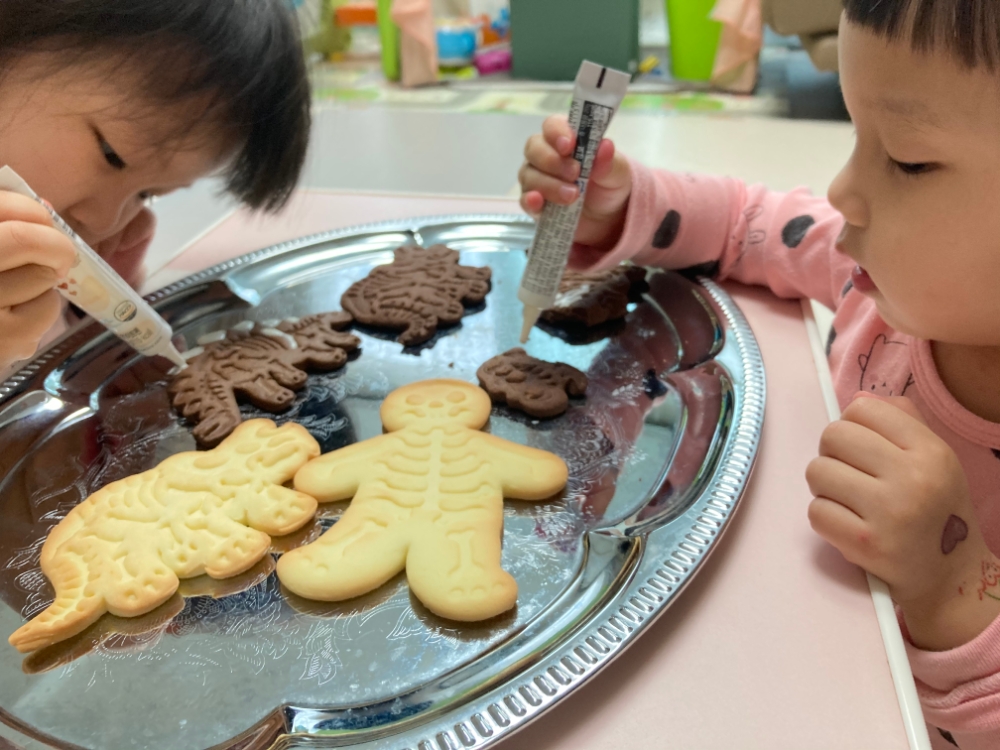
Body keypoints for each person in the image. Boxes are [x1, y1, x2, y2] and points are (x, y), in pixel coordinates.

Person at [519, 1, 1000, 747]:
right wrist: (622, 207)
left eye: (907, 159)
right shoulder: (869, 273)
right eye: (855, 136)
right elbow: (746, 222)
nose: (842, 192)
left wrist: (952, 585)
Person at [0, 0, 312, 373]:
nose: (105, 222)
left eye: (146, 194)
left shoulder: (105, 244)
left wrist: (96, 328)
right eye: (111, 155)